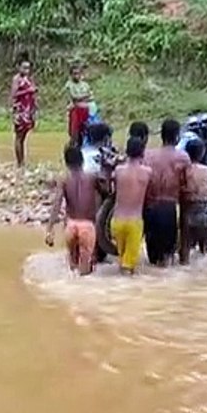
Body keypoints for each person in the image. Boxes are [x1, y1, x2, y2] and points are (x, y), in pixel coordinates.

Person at [45, 146, 101, 276]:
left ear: (66, 163)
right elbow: (106, 192)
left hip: (70, 225)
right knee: (86, 270)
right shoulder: (92, 178)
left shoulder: (64, 180)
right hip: (87, 226)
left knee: (73, 265)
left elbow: (57, 204)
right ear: (82, 160)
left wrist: (49, 228)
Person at [144, 119, 191, 267]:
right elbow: (187, 187)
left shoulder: (147, 155)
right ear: (177, 137)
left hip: (149, 209)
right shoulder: (182, 157)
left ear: (161, 136)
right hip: (168, 208)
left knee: (152, 260)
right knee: (167, 260)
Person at [111, 136, 152, 275]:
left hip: (117, 221)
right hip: (134, 222)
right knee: (128, 268)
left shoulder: (118, 171)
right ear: (142, 152)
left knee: (122, 262)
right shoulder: (147, 172)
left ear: (127, 151)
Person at [179, 137, 207, 264]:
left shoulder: (183, 171)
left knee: (184, 255)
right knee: (204, 252)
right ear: (202, 153)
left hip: (187, 213)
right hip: (203, 212)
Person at [10, 57, 38, 167]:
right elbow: (14, 94)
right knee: (19, 137)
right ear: (18, 67)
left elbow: (32, 95)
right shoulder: (16, 79)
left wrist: (34, 110)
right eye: (24, 68)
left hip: (28, 110)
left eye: (28, 68)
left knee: (24, 137)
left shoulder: (28, 79)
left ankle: (22, 161)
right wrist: (28, 90)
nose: (27, 70)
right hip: (20, 111)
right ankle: (19, 163)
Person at [65, 62, 93, 146]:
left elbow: (90, 97)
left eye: (78, 73)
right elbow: (74, 97)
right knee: (74, 133)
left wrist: (80, 98)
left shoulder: (85, 85)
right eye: (74, 74)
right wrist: (84, 97)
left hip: (85, 110)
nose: (76, 76)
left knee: (84, 131)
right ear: (71, 75)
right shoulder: (69, 85)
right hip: (75, 111)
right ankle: (72, 150)